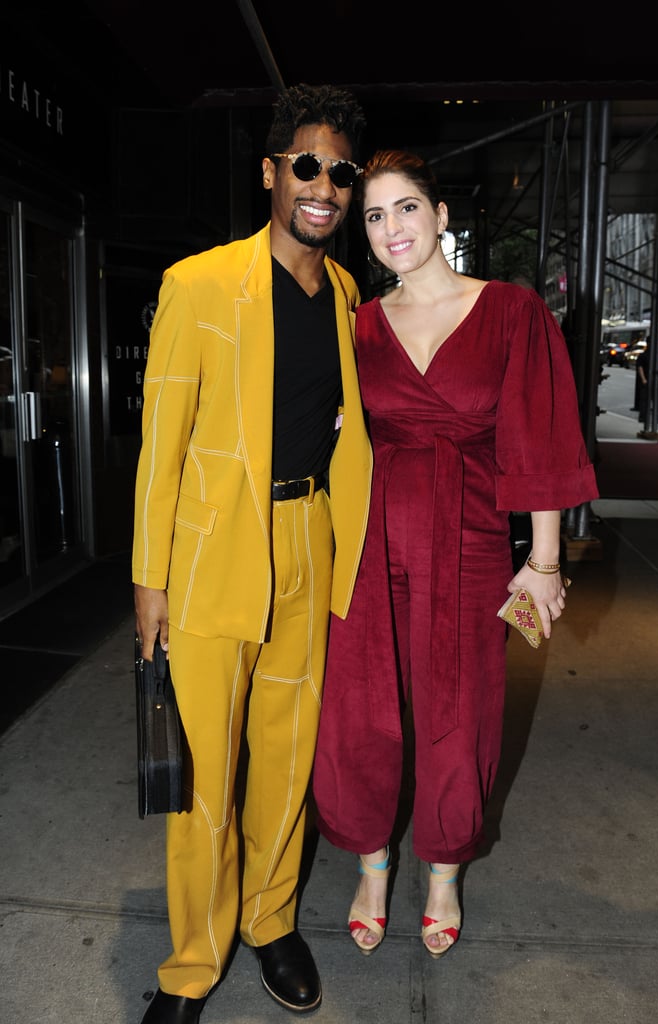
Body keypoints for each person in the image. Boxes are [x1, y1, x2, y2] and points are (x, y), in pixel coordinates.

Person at [312, 150, 599, 960]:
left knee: (459, 712)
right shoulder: (358, 325)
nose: (390, 229)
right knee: (357, 710)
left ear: (441, 216)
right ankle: (372, 863)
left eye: (405, 208)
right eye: (373, 216)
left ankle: (441, 871)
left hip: (468, 542)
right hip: (365, 542)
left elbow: (538, 436)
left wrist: (542, 562)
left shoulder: (510, 311)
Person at [132, 83, 372, 1024]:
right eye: (305, 166)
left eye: (340, 172)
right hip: (210, 558)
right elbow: (161, 445)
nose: (323, 186)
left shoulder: (346, 289)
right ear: (271, 173)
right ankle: (193, 963)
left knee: (285, 758)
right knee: (205, 782)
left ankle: (270, 920)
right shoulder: (197, 283)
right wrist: (149, 582)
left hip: (306, 539)